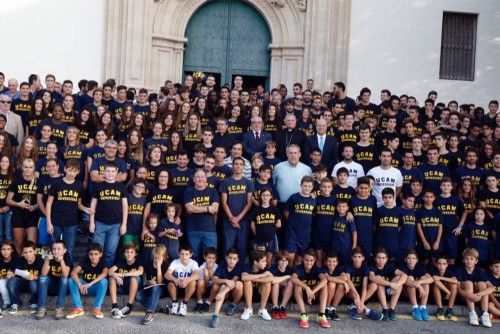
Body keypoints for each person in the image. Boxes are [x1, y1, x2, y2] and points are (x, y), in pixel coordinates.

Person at [46, 159, 92, 262]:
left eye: (74, 171)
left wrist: (85, 209)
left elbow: (78, 204)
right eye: (70, 170)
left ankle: (66, 273)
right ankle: (51, 271)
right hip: (56, 221)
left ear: (78, 172)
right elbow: (49, 203)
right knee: (53, 249)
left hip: (72, 222)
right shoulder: (56, 184)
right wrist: (49, 223)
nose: (72, 173)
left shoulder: (79, 185)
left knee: (69, 249)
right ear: (65, 169)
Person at [89, 162, 128, 267]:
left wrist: (124, 224)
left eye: (112, 171)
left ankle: (106, 273)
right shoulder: (98, 186)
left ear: (117, 173)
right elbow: (93, 204)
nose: (110, 173)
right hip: (99, 223)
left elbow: (125, 206)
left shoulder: (121, 187)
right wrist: (91, 222)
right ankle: (96, 272)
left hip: (116, 224)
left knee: (110, 252)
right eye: (108, 171)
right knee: (96, 251)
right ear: (104, 172)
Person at [220, 157, 254, 259]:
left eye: (240, 164)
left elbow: (249, 203)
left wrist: (238, 218)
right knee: (227, 247)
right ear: (232, 165)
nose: (238, 166)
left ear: (243, 167)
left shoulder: (248, 182)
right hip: (228, 220)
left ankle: (240, 272)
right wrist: (232, 218)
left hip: (243, 220)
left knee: (242, 248)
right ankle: (225, 272)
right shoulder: (225, 182)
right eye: (236, 164)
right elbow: (224, 202)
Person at [183, 169, 220, 262]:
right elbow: (190, 209)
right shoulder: (188, 192)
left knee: (211, 257)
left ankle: (209, 276)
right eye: (198, 177)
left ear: (206, 179)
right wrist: (208, 208)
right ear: (194, 179)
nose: (200, 179)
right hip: (193, 230)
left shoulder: (213, 191)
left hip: (210, 230)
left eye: (202, 177)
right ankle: (196, 276)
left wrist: (196, 208)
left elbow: (215, 208)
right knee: (193, 258)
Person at [66, 243, 108, 319]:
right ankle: (78, 308)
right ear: (88, 255)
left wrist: (90, 283)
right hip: (84, 287)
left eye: (96, 254)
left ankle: (97, 308)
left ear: (100, 254)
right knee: (71, 280)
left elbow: (105, 273)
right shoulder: (85, 260)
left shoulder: (103, 261)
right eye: (91, 254)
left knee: (104, 281)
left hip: (95, 287)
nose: (93, 256)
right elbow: (73, 272)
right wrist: (79, 284)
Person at [291, 249, 330, 328]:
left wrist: (312, 292)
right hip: (301, 296)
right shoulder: (299, 268)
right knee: (297, 285)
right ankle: (304, 315)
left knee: (324, 285)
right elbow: (293, 278)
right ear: (302, 259)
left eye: (311, 260)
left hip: (313, 296)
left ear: (315, 260)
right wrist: (306, 287)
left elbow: (325, 280)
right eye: (306, 260)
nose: (309, 263)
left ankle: (321, 315)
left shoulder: (316, 268)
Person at [6, 158, 38, 255]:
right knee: (19, 245)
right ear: (22, 168)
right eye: (26, 167)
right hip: (18, 215)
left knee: (31, 245)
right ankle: (20, 267)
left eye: (30, 167)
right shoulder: (16, 181)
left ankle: (30, 267)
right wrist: (19, 204)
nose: (28, 169)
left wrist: (35, 206)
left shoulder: (38, 182)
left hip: (32, 215)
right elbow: (8, 200)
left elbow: (41, 201)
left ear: (34, 168)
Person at [456, 248, 494, 327]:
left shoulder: (480, 271)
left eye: (471, 259)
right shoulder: (459, 270)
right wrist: (470, 295)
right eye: (467, 259)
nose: (469, 261)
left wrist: (479, 294)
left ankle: (485, 314)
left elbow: (492, 287)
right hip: (465, 296)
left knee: (482, 284)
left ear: (476, 261)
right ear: (463, 260)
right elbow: (458, 289)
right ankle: (472, 313)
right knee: (469, 283)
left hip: (477, 297)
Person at [343, 247, 384, 321]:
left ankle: (355, 307)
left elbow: (364, 286)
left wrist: (361, 302)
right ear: (352, 258)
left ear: (363, 258)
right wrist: (357, 295)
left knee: (374, 285)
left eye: (359, 257)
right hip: (351, 293)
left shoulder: (365, 267)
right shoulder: (349, 266)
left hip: (363, 296)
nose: (357, 259)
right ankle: (368, 311)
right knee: (348, 288)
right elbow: (348, 280)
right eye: (355, 257)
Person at [35, 240, 72, 320]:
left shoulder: (67, 258)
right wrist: (47, 260)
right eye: (54, 249)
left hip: (63, 287)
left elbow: (65, 274)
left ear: (64, 250)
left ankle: (59, 308)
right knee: (42, 278)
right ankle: (41, 308)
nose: (56, 251)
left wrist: (61, 261)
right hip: (51, 285)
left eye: (59, 249)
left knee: (64, 279)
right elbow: (44, 274)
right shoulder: (49, 257)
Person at [208, 248, 244, 328]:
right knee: (223, 285)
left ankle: (233, 305)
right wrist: (225, 280)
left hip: (235, 293)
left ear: (238, 260)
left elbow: (234, 282)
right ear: (226, 257)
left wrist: (221, 293)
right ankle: (215, 315)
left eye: (234, 259)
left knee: (239, 284)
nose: (232, 261)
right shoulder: (222, 264)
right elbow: (214, 279)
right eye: (230, 258)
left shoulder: (239, 266)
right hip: (225, 293)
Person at [368, 248, 408, 321]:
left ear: (386, 259)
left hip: (390, 291)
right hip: (377, 293)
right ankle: (385, 309)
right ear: (375, 258)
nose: (381, 260)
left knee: (399, 279)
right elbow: (372, 277)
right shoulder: (372, 266)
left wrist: (396, 285)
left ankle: (392, 309)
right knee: (378, 279)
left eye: (383, 258)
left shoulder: (389, 266)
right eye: (379, 258)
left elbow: (404, 275)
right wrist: (390, 284)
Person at [284, 176, 316, 266]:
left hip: (305, 234)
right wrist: (292, 222)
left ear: (312, 187)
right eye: (305, 186)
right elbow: (286, 212)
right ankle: (288, 275)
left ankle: (295, 276)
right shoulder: (294, 197)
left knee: (299, 259)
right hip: (292, 232)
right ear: (301, 186)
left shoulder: (314, 200)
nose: (307, 188)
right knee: (290, 257)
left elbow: (313, 214)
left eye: (309, 186)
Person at [7, 240, 43, 315]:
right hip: (22, 283)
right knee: (11, 282)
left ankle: (34, 302)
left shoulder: (40, 260)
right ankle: (15, 303)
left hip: (33, 284)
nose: (28, 255)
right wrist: (10, 274)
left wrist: (34, 277)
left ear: (35, 251)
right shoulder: (19, 260)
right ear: (22, 253)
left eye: (30, 252)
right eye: (25, 253)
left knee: (33, 283)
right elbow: (13, 272)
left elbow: (44, 276)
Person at [137, 244, 169, 325]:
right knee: (138, 296)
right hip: (150, 288)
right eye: (155, 258)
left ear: (163, 257)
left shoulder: (165, 265)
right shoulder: (149, 264)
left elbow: (161, 281)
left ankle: (149, 313)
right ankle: (160, 308)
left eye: (158, 258)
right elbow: (147, 280)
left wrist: (158, 267)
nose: (156, 260)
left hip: (160, 290)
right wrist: (149, 282)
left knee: (156, 287)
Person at [165, 244, 200, 316]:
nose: (184, 257)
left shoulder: (193, 263)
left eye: (187, 254)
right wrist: (175, 280)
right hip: (177, 286)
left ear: (191, 255)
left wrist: (187, 281)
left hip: (188, 288)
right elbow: (166, 274)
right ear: (179, 254)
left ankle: (184, 304)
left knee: (193, 282)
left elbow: (197, 275)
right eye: (182, 254)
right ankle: (174, 303)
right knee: (170, 284)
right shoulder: (175, 262)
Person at [240, 250, 273, 321]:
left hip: (260, 293)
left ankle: (262, 310)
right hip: (248, 294)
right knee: (247, 281)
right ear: (255, 262)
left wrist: (254, 278)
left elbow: (271, 279)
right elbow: (244, 277)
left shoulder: (265, 268)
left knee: (267, 283)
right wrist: (262, 275)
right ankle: (249, 309)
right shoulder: (247, 267)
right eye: (263, 261)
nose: (266, 263)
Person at [399, 250, 433, 321]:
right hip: (406, 293)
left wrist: (420, 282)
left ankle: (423, 308)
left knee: (424, 279)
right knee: (410, 278)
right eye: (409, 258)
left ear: (417, 260)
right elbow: (406, 281)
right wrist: (419, 286)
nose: (411, 260)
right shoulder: (403, 267)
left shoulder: (420, 267)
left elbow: (431, 279)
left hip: (420, 294)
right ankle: (415, 308)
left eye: (413, 258)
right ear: (405, 259)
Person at [416, 190, 443, 266]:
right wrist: (424, 242)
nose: (429, 199)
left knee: (435, 262)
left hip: (435, 240)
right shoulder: (419, 211)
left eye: (431, 197)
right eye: (427, 197)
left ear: (434, 198)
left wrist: (437, 241)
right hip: (423, 241)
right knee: (425, 262)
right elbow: (418, 227)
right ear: (423, 198)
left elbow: (440, 227)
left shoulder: (437, 211)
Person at [431, 254, 459, 321]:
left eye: (444, 264)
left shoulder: (449, 271)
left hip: (448, 297)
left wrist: (440, 277)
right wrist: (448, 292)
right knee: (436, 284)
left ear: (447, 264)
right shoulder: (433, 270)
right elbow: (435, 279)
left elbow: (455, 281)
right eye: (439, 264)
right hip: (436, 296)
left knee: (454, 284)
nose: (441, 266)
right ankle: (440, 310)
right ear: (436, 264)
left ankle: (449, 310)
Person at [194, 247, 218, 313]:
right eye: (209, 257)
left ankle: (208, 303)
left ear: (215, 259)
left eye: (213, 258)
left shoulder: (217, 267)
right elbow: (205, 285)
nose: (211, 260)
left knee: (216, 285)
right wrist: (206, 276)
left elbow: (216, 282)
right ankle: (199, 301)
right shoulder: (201, 268)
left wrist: (210, 275)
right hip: (204, 289)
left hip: (213, 290)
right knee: (200, 281)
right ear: (205, 257)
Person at [0, 240, 15, 313]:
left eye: (8, 249)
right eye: (3, 249)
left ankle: (7, 303)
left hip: (12, 283)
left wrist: (13, 274)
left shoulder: (16, 260)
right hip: (3, 280)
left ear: (12, 250)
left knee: (1, 282)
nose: (6, 252)